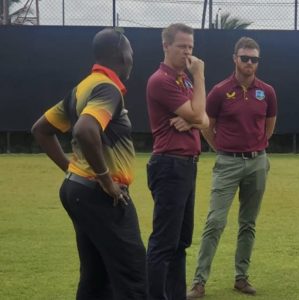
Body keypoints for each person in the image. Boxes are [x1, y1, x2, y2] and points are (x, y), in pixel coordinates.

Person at [31, 28, 147, 299]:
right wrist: (106, 180)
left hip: (79, 190)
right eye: (130, 51)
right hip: (102, 195)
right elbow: (85, 129)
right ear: (120, 54)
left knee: (96, 278)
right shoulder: (108, 89)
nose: (133, 57)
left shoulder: (81, 88)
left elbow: (41, 129)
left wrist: (72, 171)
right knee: (133, 275)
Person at [187, 37, 277, 299]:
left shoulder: (267, 91)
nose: (249, 63)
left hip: (258, 162)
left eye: (254, 59)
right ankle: (199, 282)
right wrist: (222, 148)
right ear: (234, 59)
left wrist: (258, 146)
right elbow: (206, 124)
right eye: (245, 57)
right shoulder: (219, 90)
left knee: (248, 223)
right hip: (227, 162)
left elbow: (269, 126)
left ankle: (241, 277)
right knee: (215, 221)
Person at [145, 23, 208, 300]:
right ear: (166, 46)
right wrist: (201, 76)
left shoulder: (183, 79)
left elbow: (203, 119)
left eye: (191, 47)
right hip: (170, 165)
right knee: (163, 243)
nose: (188, 52)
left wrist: (194, 118)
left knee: (180, 242)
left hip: (185, 165)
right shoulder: (162, 80)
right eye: (182, 46)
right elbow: (199, 115)